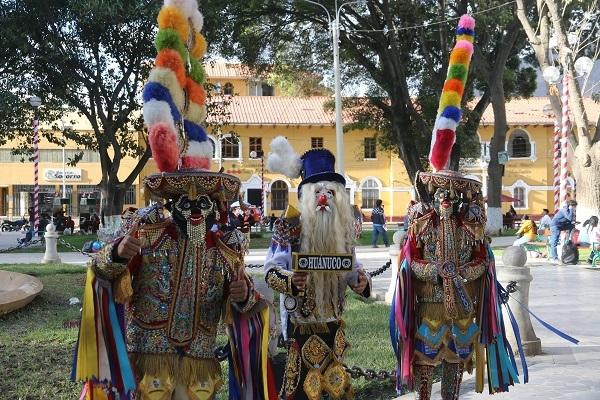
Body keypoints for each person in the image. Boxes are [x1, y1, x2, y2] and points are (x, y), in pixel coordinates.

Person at [72, 3, 276, 398]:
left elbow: (246, 305)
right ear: (170, 199)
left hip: (199, 369)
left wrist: (244, 297)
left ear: (216, 203)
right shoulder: (146, 231)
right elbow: (100, 274)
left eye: (203, 199)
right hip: (147, 363)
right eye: (185, 198)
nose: (195, 206)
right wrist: (117, 253)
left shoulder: (226, 246)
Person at [264, 137, 371, 399]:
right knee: (300, 392)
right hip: (300, 328)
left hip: (334, 327)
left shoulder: (343, 233)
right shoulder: (288, 228)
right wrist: (290, 281)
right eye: (318, 193)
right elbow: (270, 270)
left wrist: (361, 282)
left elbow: (352, 269)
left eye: (330, 193)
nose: (324, 198)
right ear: (306, 197)